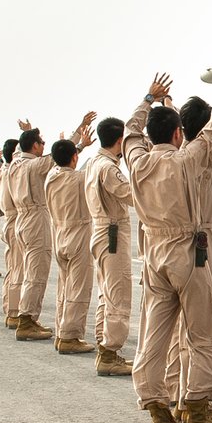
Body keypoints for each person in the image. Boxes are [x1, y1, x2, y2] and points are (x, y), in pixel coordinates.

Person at [124, 52, 212, 423]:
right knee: (204, 333)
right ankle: (196, 410)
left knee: (154, 336)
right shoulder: (186, 161)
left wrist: (149, 98)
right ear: (178, 135)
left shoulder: (137, 161)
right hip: (187, 254)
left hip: (153, 254)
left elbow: (129, 132)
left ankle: (159, 413)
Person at [162, 91, 212, 423]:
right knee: (202, 329)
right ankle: (197, 401)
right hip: (202, 247)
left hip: (177, 247)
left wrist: (169, 109)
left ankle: (179, 396)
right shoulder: (202, 156)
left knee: (181, 328)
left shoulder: (176, 157)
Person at [10, 113, 96, 341]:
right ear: (35, 146)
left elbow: (58, 154)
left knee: (29, 270)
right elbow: (61, 156)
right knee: (36, 273)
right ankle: (26, 319)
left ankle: (26, 317)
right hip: (35, 219)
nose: (43, 146)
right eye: (41, 142)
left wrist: (29, 130)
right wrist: (80, 139)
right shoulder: (34, 165)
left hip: (21, 217)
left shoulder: (15, 162)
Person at [84, 116, 136, 376]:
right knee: (118, 293)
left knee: (107, 292)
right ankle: (109, 353)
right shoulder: (108, 168)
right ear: (119, 141)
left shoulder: (94, 162)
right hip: (113, 231)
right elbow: (130, 194)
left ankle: (104, 345)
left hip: (101, 229)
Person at [45, 137, 97, 355]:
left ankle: (61, 331)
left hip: (59, 233)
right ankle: (70, 336)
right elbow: (92, 172)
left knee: (64, 287)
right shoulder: (79, 179)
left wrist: (79, 145)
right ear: (74, 157)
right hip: (78, 235)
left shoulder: (51, 177)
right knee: (78, 288)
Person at [0, 139, 24, 329]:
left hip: (9, 220)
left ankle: (10, 309)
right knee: (18, 270)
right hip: (15, 220)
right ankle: (14, 313)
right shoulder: (11, 172)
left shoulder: (2, 171)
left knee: (12, 268)